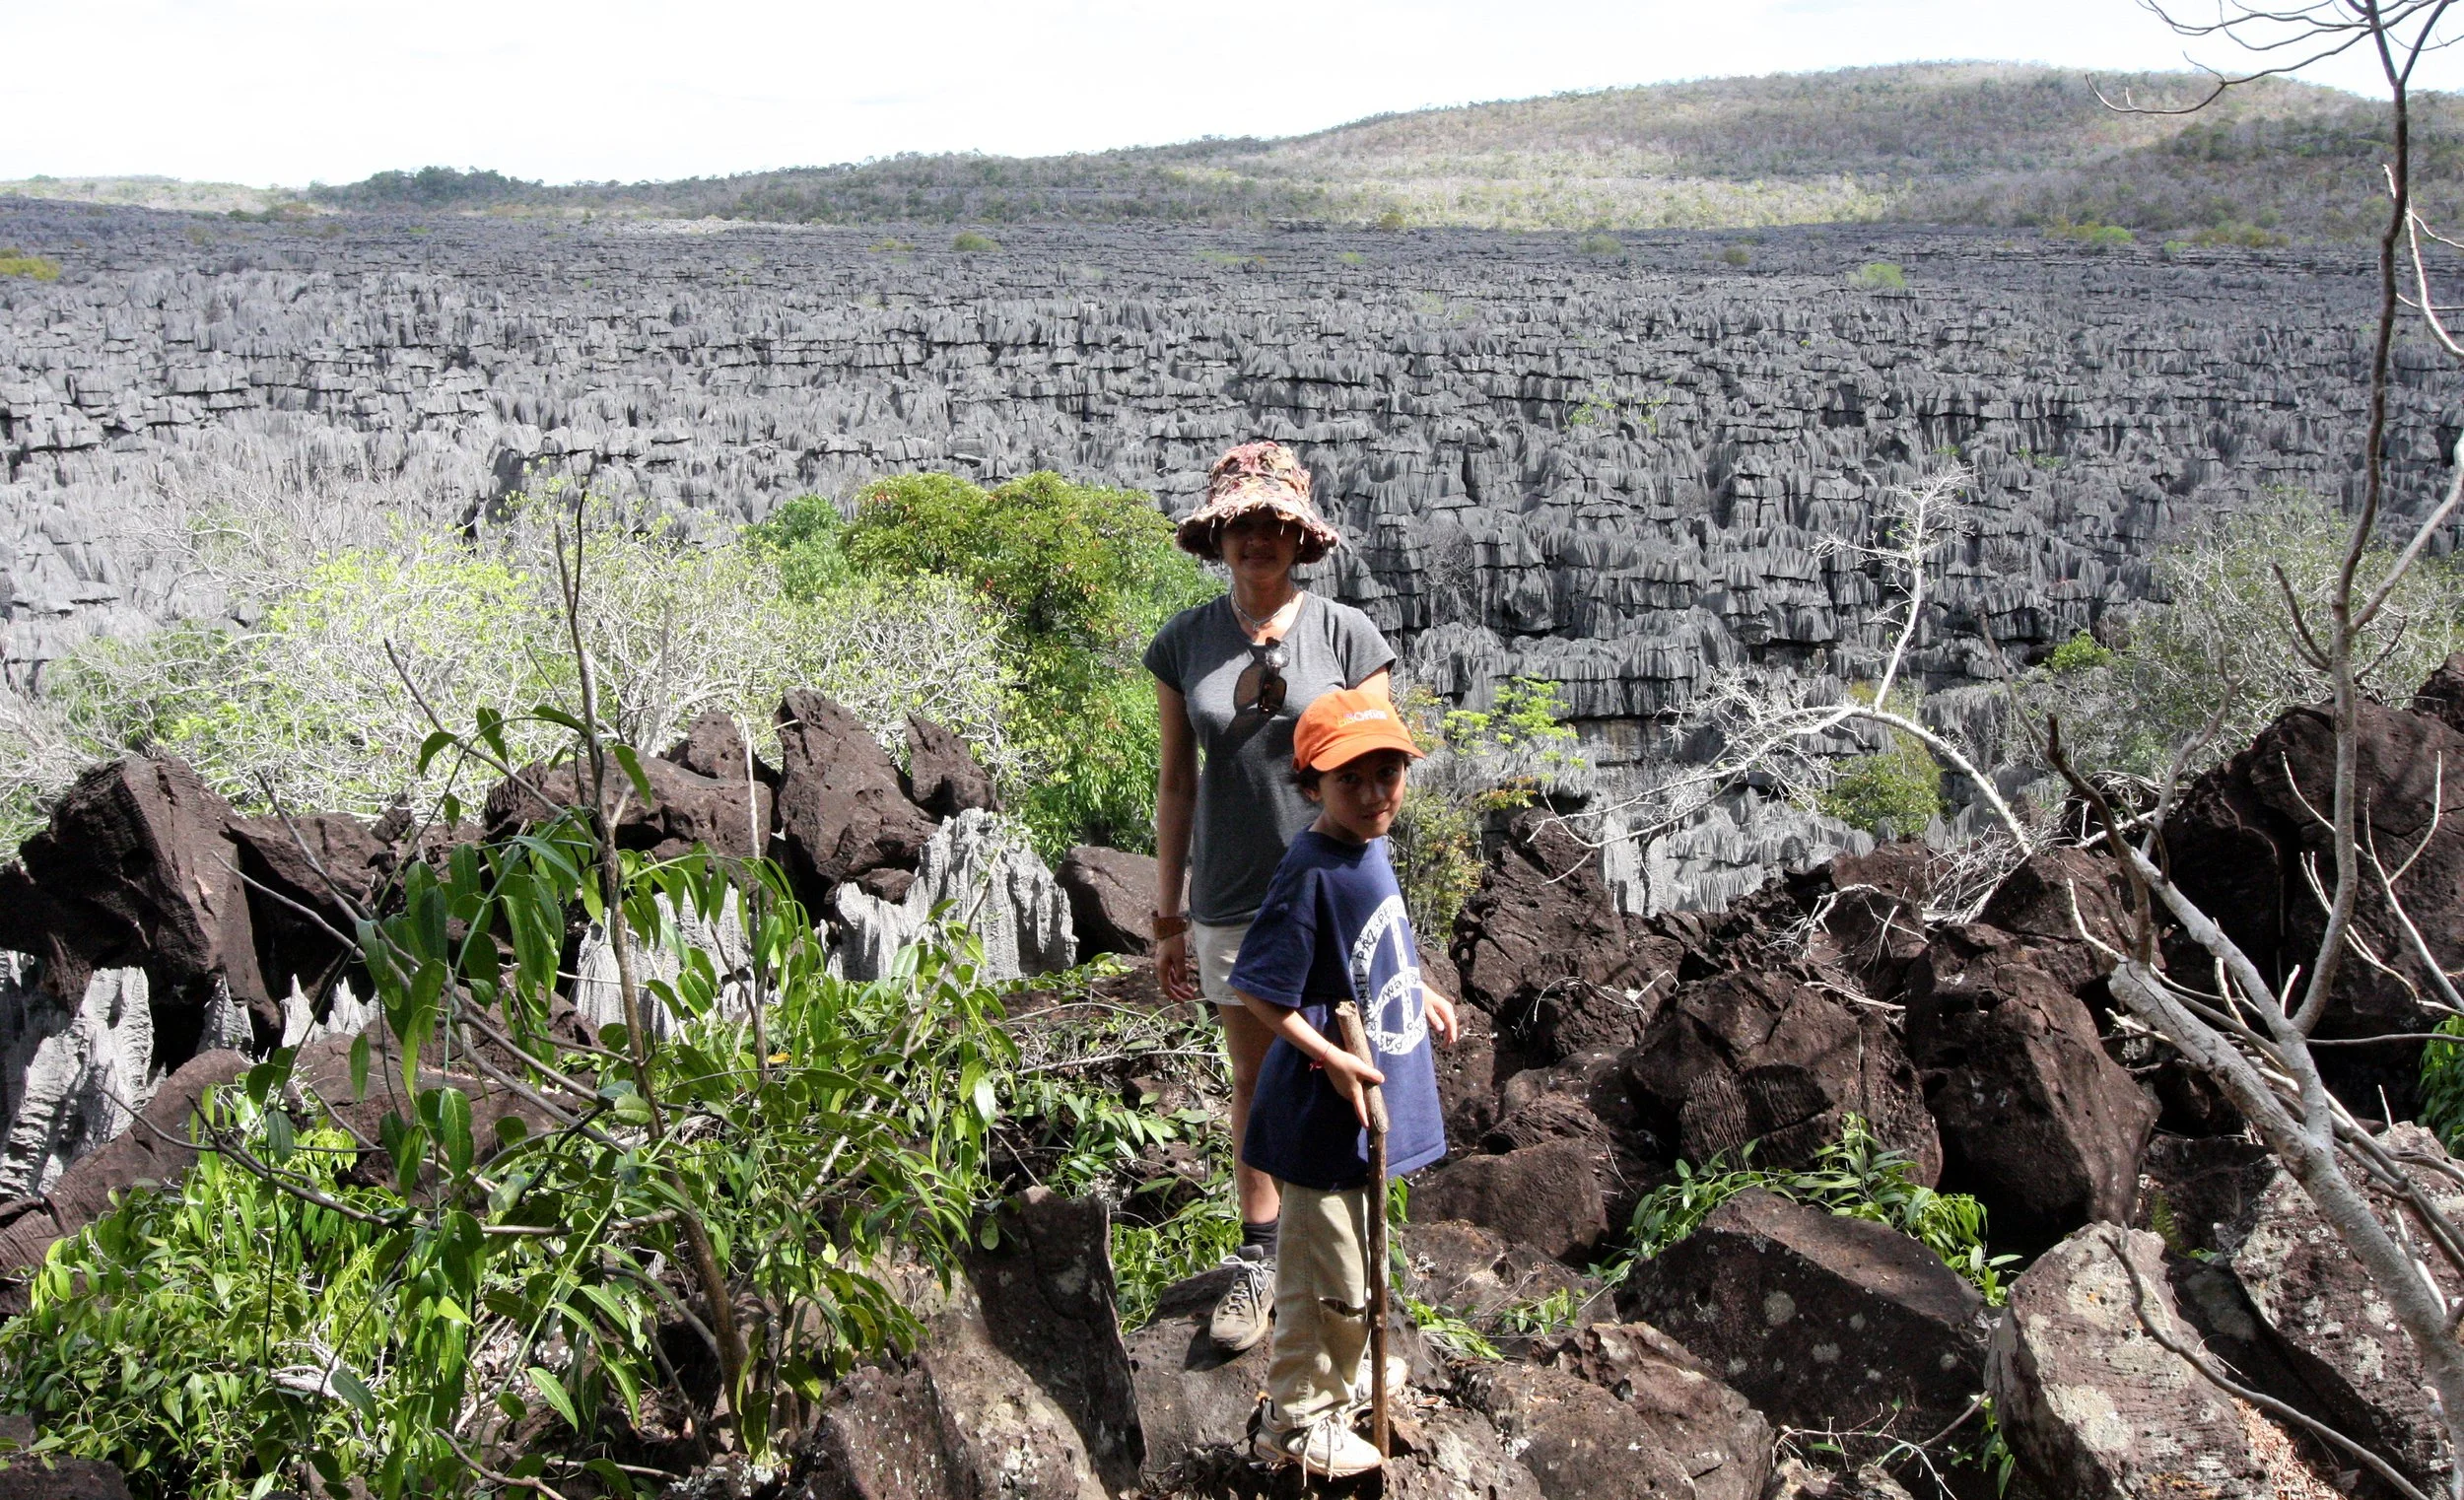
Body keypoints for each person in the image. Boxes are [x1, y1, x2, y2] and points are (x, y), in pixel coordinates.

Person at [1143, 441, 1397, 1355]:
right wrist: (1167, 914)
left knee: (1349, 1069)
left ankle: (1354, 1266)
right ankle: (1260, 1260)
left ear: (1299, 536)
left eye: (1276, 524)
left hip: (1330, 887)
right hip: (1232, 889)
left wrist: (1386, 912)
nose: (1260, 538)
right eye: (1243, 524)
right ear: (1220, 537)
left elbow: (1378, 778)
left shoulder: (1348, 637)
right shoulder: (1184, 643)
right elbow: (1177, 784)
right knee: (1252, 1076)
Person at [1228, 687, 1457, 1477]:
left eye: (1386, 773)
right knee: (1325, 1277)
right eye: (1348, 780)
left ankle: (1346, 1375)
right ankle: (1297, 1417)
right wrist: (1327, 1055)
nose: (1371, 794)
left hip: (1365, 1108)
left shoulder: (1369, 848)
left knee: (1360, 1263)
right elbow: (1259, 987)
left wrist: (1416, 984)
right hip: (1322, 1119)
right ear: (1309, 789)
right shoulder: (1310, 869)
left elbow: (1368, 943)